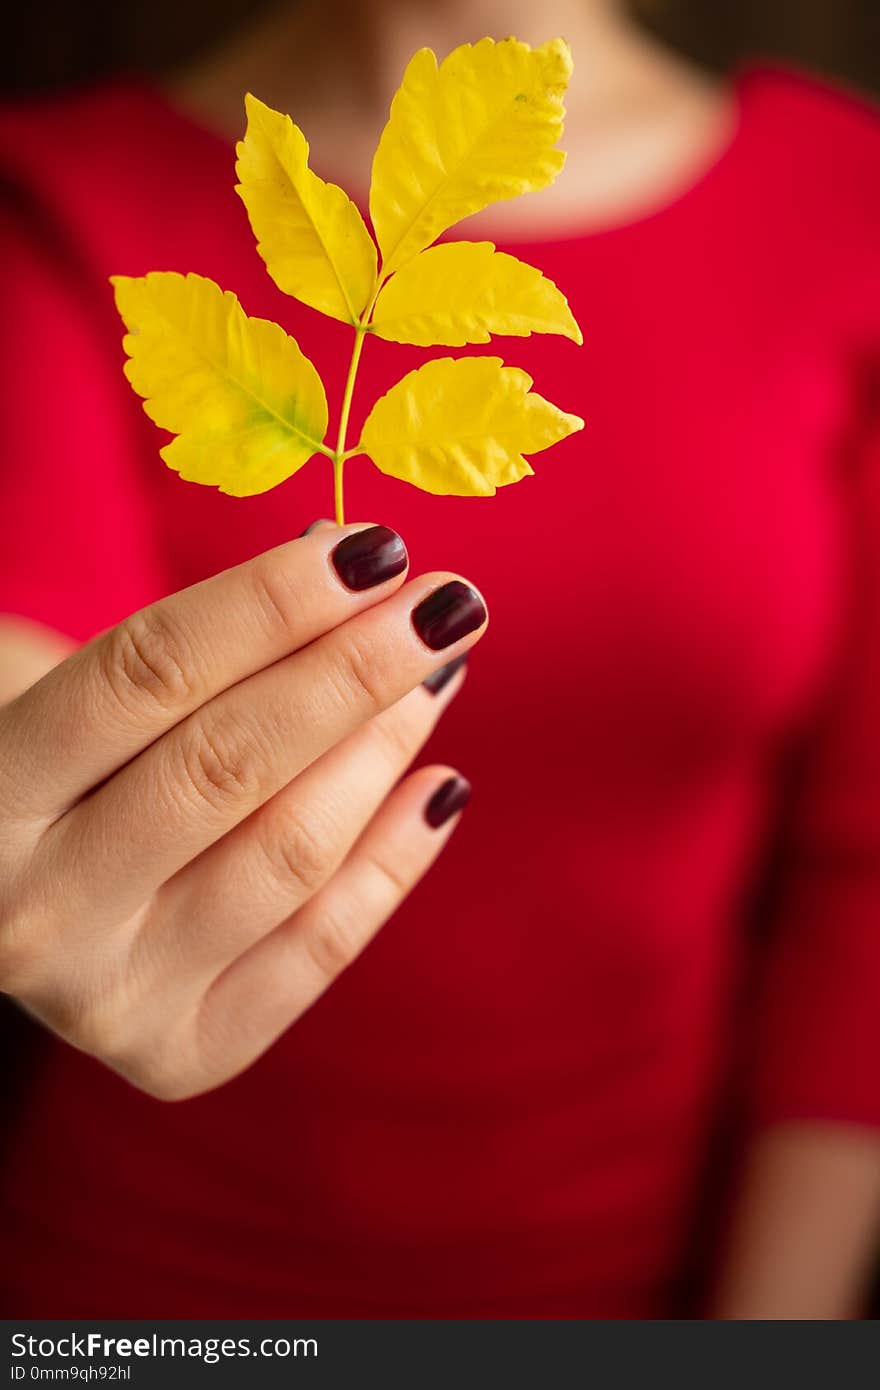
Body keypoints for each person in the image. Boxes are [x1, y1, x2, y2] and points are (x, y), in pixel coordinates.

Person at [1, 0, 879, 1319]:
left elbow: (862, 879)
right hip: (140, 1299)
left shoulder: (846, 202)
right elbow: (31, 662)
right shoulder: (48, 205)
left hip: (659, 1292)